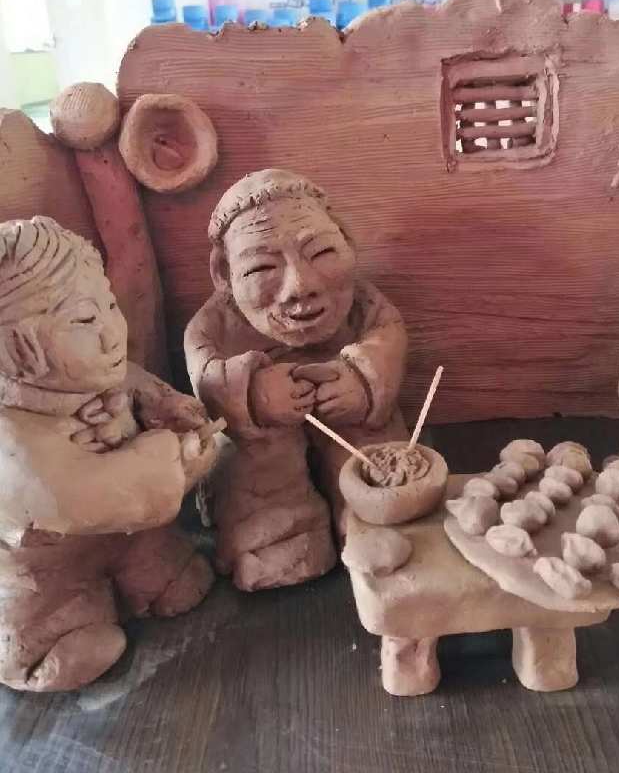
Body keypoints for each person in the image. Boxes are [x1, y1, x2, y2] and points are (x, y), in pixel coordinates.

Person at [0, 216, 218, 691]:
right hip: (49, 575)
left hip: (135, 536)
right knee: (43, 615)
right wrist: (171, 458)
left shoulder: (98, 373)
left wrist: (169, 407)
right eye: (83, 319)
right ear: (14, 347)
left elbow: (138, 383)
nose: (111, 331)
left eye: (110, 306)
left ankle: (146, 575)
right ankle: (37, 653)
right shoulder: (10, 437)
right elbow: (80, 495)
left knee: (171, 573)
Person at [185, 169, 408, 592]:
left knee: (371, 451)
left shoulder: (362, 301)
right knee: (258, 464)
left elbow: (386, 333)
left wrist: (363, 381)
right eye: (261, 267)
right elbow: (206, 378)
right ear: (223, 272)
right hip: (262, 442)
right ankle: (279, 537)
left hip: (350, 421)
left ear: (347, 242)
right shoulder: (212, 325)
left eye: (321, 252)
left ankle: (370, 520)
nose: (300, 286)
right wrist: (252, 398)